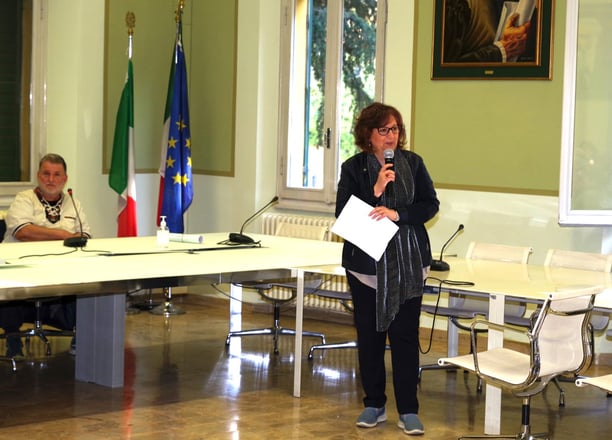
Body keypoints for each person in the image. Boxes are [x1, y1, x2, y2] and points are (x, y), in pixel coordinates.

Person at [336, 103, 439, 435]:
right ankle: (374, 404)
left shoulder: (414, 163)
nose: (391, 135)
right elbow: (343, 214)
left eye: (395, 129)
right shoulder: (354, 168)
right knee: (370, 337)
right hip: (367, 268)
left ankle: (408, 410)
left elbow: (430, 204)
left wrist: (400, 215)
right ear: (369, 134)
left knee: (406, 338)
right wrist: (376, 191)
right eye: (384, 130)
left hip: (409, 265)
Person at [1, 153, 91, 358]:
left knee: (87, 283)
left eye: (56, 174)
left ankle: (80, 334)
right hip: (21, 267)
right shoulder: (23, 199)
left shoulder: (73, 202)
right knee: (11, 288)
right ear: (38, 176)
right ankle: (12, 339)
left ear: (65, 178)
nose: (51, 179)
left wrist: (53, 235)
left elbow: (85, 235)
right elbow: (23, 232)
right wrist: (65, 235)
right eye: (46, 174)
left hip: (60, 267)